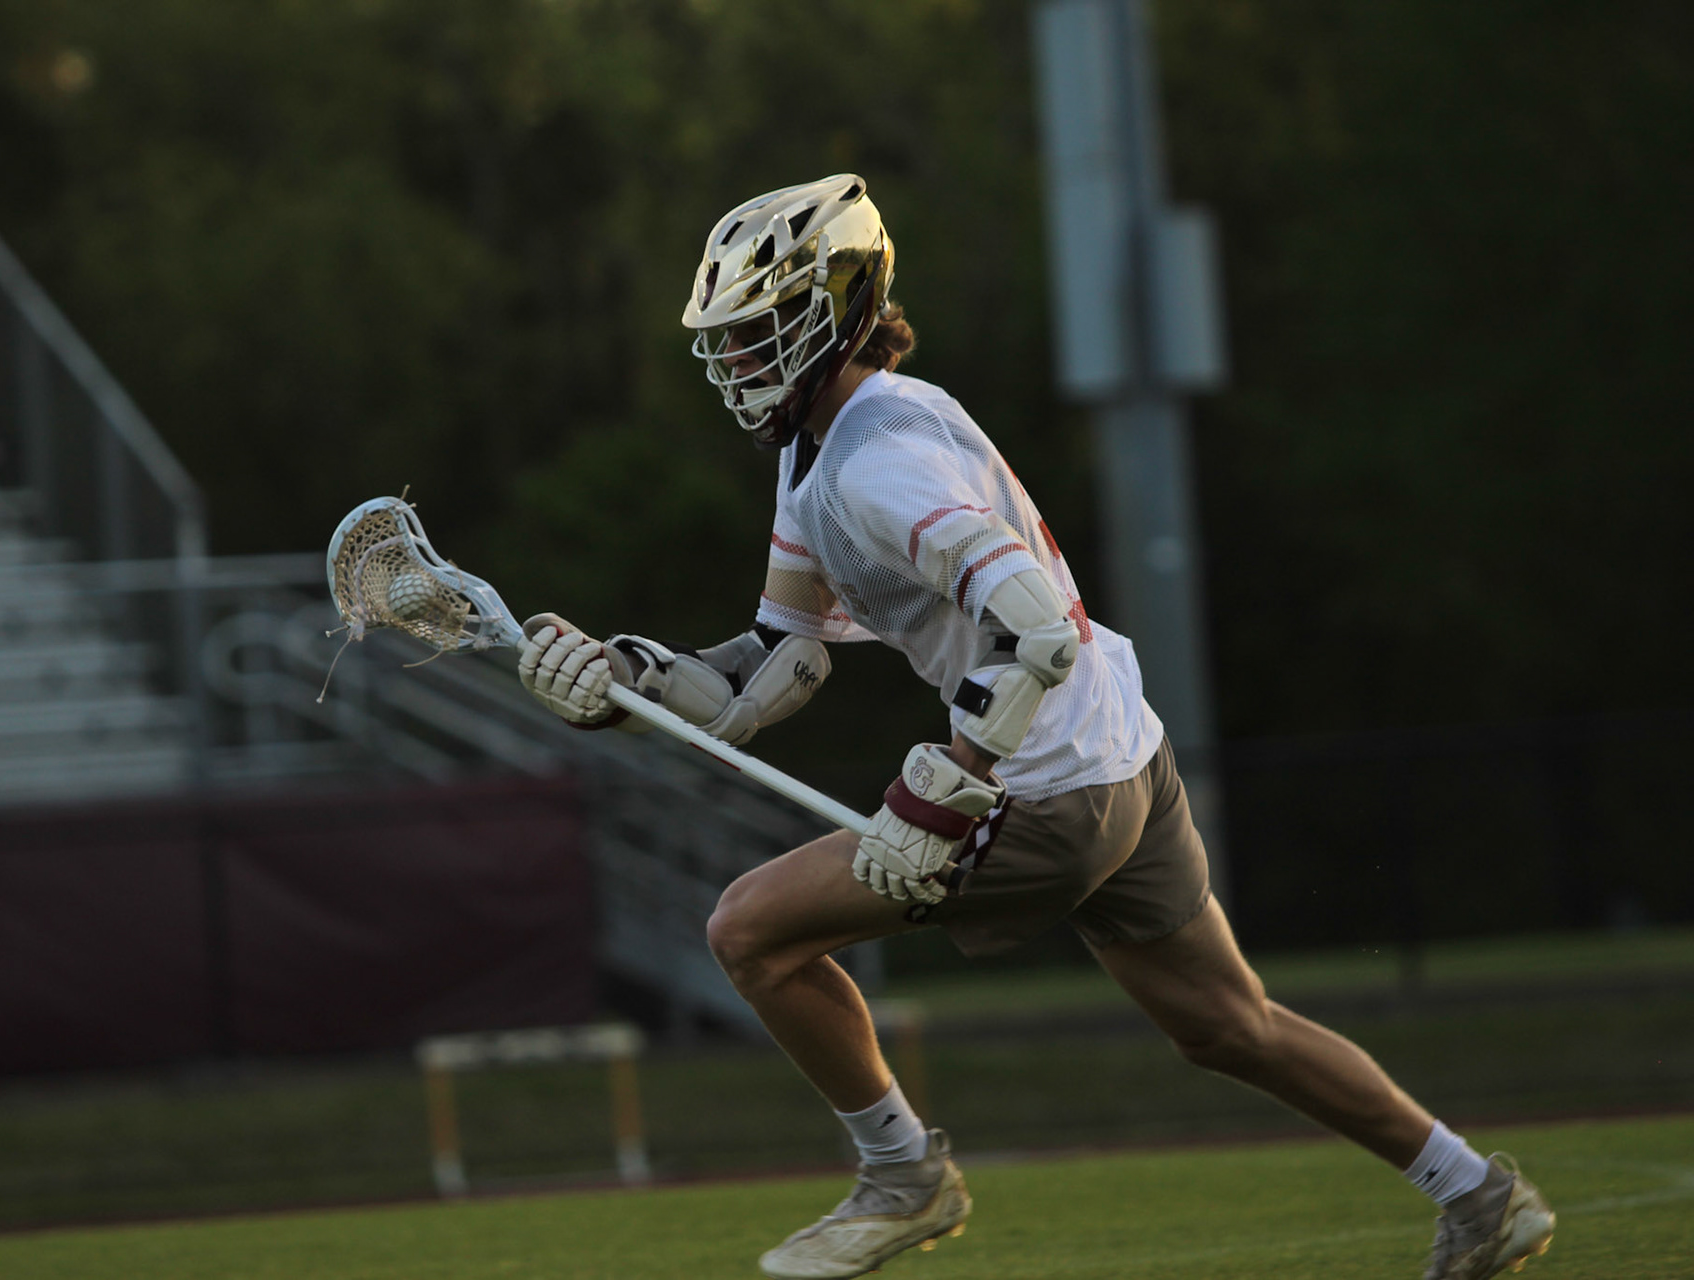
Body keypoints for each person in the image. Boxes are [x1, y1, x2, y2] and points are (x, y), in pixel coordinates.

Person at [516, 175, 1555, 1280]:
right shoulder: (826, 442)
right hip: (1123, 752)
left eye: (761, 328)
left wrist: (946, 785)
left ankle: (903, 1176)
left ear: (841, 305)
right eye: (728, 337)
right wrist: (627, 677)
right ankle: (1478, 1194)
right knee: (1228, 1023)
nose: (737, 358)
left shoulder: (878, 461)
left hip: (1047, 785)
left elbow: (1035, 628)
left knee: (748, 932)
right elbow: (781, 660)